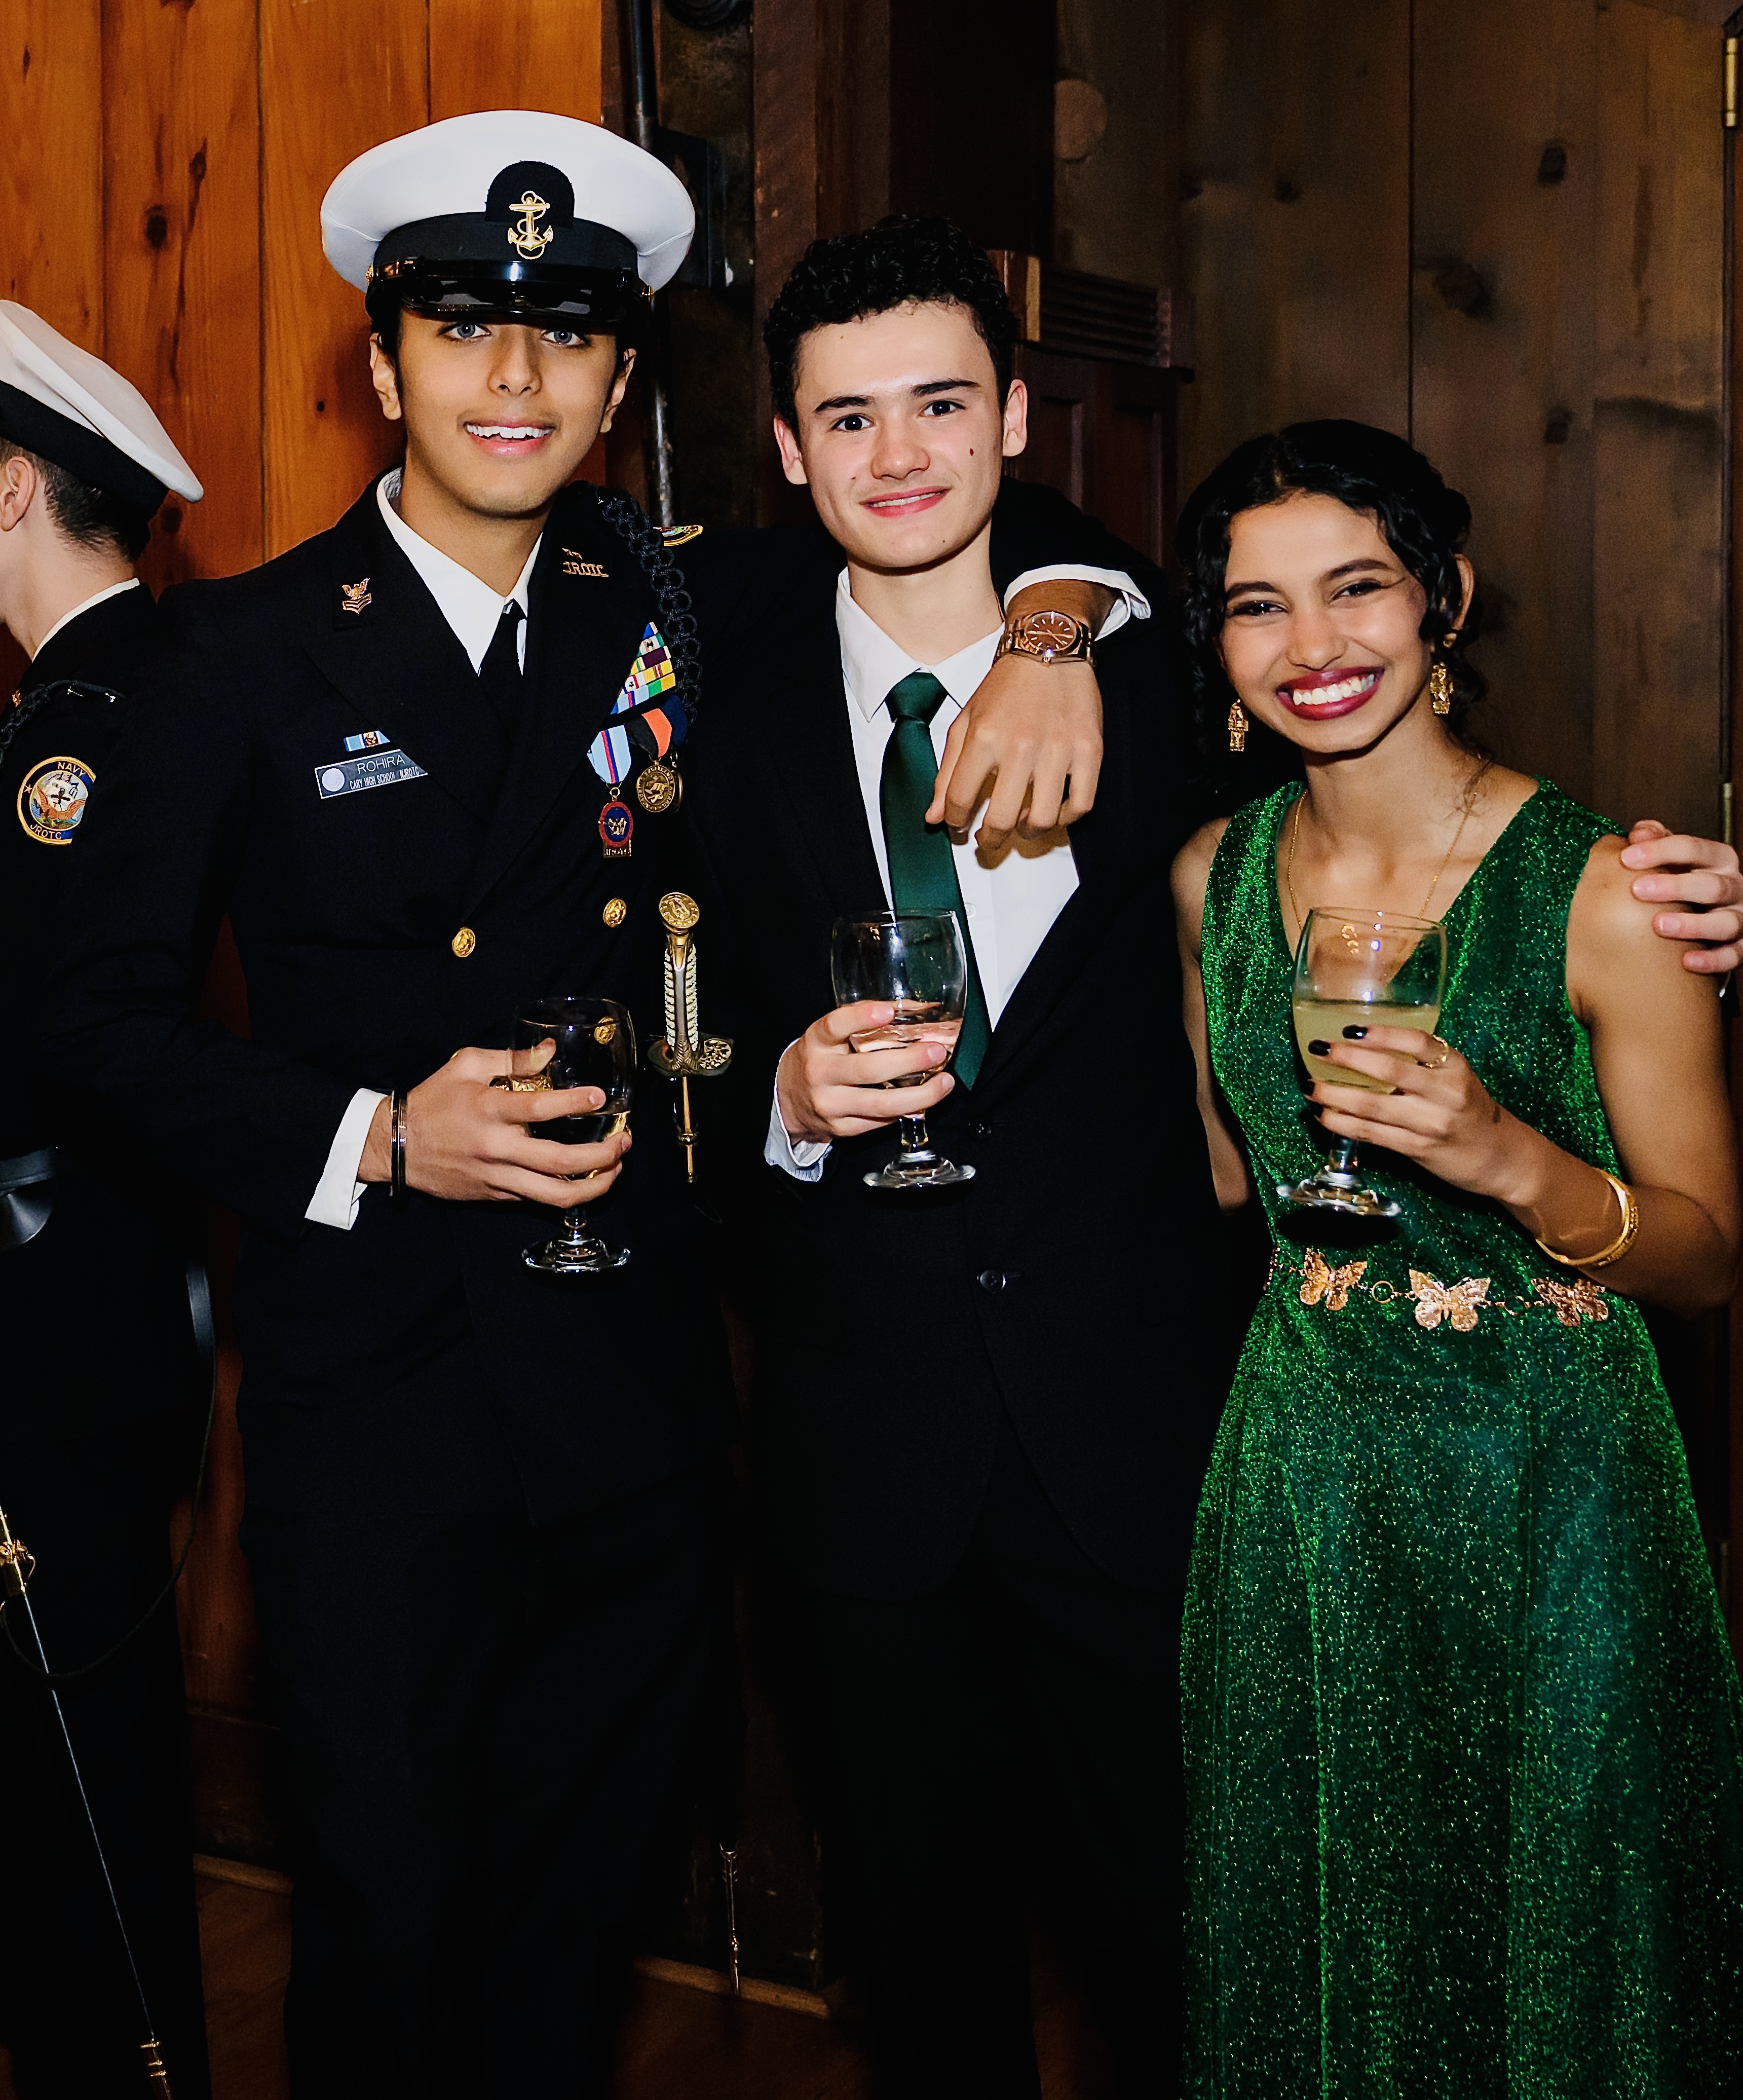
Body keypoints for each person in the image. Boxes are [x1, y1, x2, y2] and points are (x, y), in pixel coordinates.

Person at [44, 116, 1133, 2096]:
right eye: (465, 328)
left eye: (565, 337)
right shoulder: (234, 659)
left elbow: (954, 515)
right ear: (384, 367)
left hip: (628, 1404)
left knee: (571, 1923)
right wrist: (374, 1131)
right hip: (376, 1403)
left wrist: (1059, 617)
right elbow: (86, 1022)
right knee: (384, 1918)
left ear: (623, 381)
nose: (516, 378)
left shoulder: (669, 608)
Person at [1168, 419, 1743, 2095]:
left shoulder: (1606, 891)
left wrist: (1507, 1160)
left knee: (1569, 1937)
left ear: (1442, 599)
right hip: (1304, 1495)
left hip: (1553, 1497)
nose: (1313, 647)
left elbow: (1706, 1257)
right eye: (1257, 607)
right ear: (1217, 647)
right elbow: (1234, 1181)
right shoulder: (1209, 878)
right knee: (1322, 1928)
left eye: (1357, 588)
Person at [677, 212, 1234, 2100]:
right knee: (921, 1980)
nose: (896, 454)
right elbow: (658, 1030)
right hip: (863, 1451)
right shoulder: (716, 695)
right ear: (784, 451)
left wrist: (1634, 889)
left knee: (1185, 1947)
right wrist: (781, 1104)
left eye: (937, 403)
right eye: (846, 418)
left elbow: (1380, 796)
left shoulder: (1157, 669)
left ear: (1015, 415)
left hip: (1134, 1435)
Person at [0, 305, 212, 2096]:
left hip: (50, 1318)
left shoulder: (82, 727)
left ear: (7, 485)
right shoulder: (139, 683)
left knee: (76, 1791)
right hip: (112, 1301)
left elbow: (53, 1047)